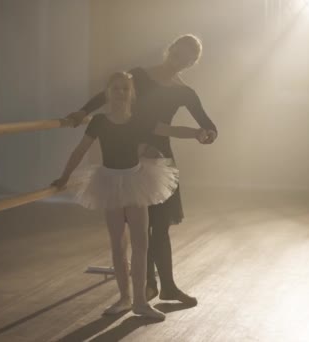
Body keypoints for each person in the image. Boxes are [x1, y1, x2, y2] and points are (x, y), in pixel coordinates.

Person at [64, 34, 218, 306]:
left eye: (186, 59)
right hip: (131, 149)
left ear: (191, 63)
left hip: (160, 155)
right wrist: (80, 112)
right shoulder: (138, 75)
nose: (178, 60)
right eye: (176, 53)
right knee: (137, 228)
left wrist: (206, 134)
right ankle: (145, 287)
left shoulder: (185, 92)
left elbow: (207, 124)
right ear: (169, 50)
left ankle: (166, 286)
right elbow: (106, 94)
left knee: (159, 226)